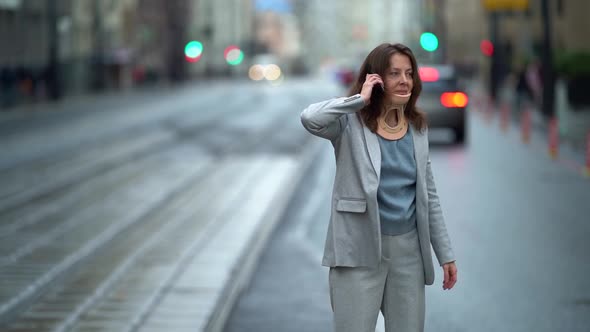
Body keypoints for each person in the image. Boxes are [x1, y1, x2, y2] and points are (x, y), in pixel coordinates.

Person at [300, 43, 458, 332]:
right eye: (394, 73)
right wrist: (358, 100)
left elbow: (429, 196)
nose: (404, 80)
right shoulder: (349, 124)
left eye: (409, 73)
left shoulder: (417, 127)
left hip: (408, 252)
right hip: (357, 249)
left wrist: (445, 253)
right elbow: (310, 118)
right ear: (375, 78)